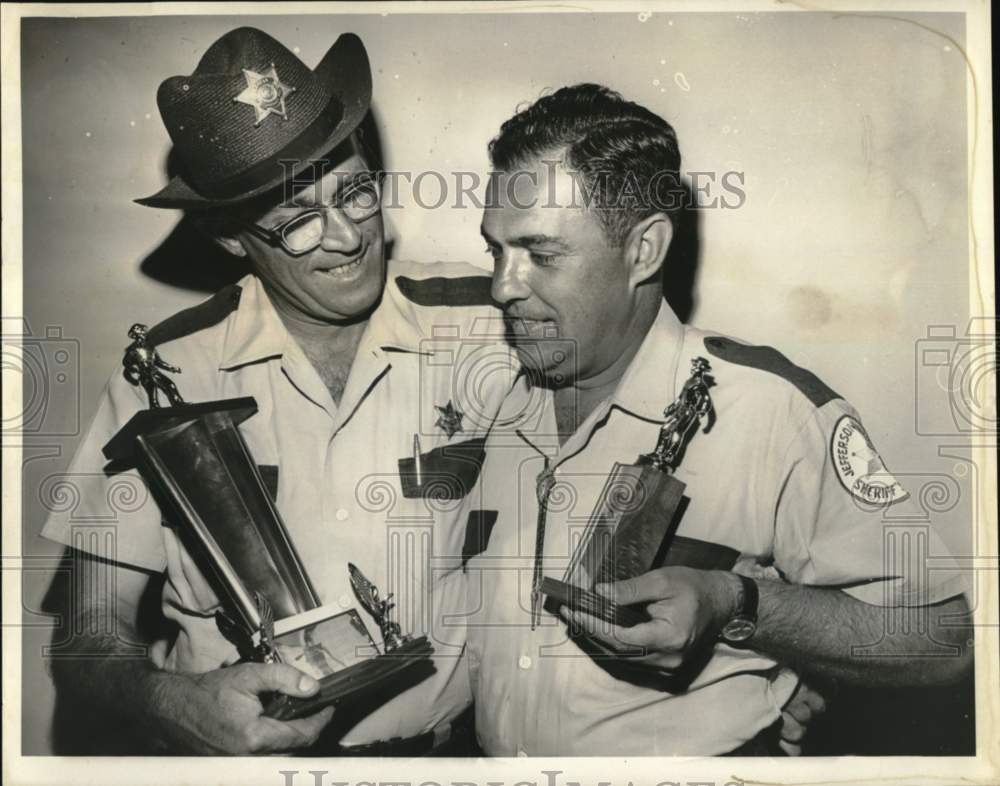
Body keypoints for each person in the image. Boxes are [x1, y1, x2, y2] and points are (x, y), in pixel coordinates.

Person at [40, 27, 516, 755]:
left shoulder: (489, 323)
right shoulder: (167, 371)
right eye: (296, 221)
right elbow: (83, 627)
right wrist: (167, 700)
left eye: (355, 192)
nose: (347, 238)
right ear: (232, 238)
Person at [464, 83, 972, 756]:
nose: (503, 285)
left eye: (540, 254)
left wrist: (738, 606)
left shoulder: (773, 410)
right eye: (495, 251)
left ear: (644, 250)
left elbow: (945, 639)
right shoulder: (491, 391)